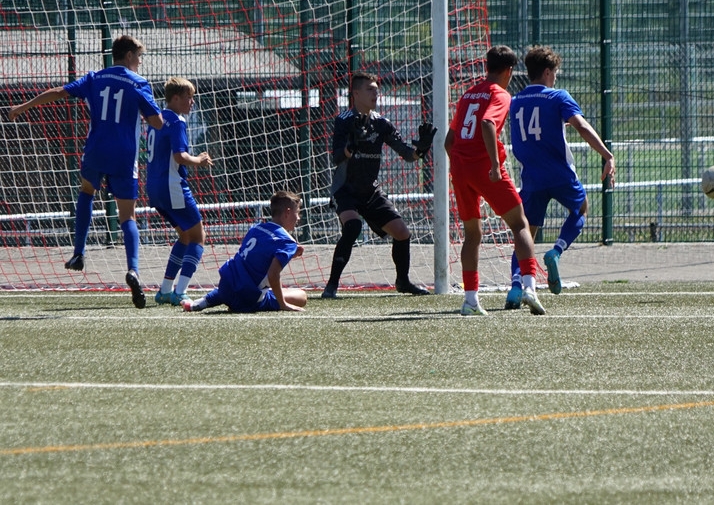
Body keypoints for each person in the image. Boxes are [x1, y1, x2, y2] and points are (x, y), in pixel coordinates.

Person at [8, 34, 163, 308]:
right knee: (127, 216)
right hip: (124, 154)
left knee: (87, 191)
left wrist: (22, 107)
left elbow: (59, 92)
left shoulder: (94, 78)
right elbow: (157, 122)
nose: (140, 62)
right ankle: (133, 270)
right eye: (139, 56)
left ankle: (79, 252)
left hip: (96, 149)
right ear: (129, 56)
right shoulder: (138, 83)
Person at [505, 46, 616, 308]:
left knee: (525, 234)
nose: (556, 77)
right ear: (547, 72)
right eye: (555, 72)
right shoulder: (558, 96)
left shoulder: (515, 101)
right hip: (559, 174)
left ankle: (515, 287)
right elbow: (581, 126)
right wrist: (607, 155)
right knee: (581, 209)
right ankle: (556, 251)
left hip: (531, 177)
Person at [444, 45, 544, 316]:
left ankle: (470, 300)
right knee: (520, 224)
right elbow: (488, 123)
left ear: (487, 66)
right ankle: (529, 287)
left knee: (472, 235)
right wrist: (495, 166)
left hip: (460, 168)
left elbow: (449, 142)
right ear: (509, 71)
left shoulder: (468, 94)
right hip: (485, 167)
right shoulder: (500, 94)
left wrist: (461, 168)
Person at [320, 72, 437, 299]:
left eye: (376, 89)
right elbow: (336, 157)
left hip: (370, 191)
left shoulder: (381, 123)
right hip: (345, 189)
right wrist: (350, 148)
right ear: (355, 93)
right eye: (370, 89)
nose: (375, 93)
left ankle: (403, 281)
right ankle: (331, 285)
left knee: (402, 233)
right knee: (353, 227)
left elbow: (407, 154)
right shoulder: (344, 120)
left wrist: (421, 150)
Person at [146, 77, 214, 307]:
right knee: (198, 236)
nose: (192, 102)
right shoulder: (177, 121)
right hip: (172, 186)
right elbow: (180, 156)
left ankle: (165, 290)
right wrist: (199, 160)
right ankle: (181, 291)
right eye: (188, 97)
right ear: (175, 98)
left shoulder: (156, 119)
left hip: (154, 187)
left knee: (185, 236)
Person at [183, 190, 307, 313]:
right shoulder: (287, 242)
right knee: (301, 296)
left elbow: (257, 257)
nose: (298, 218)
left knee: (239, 279)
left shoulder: (256, 228)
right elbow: (273, 275)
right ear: (287, 212)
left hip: (226, 285)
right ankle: (245, 303)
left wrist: (290, 254)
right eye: (297, 213)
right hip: (247, 299)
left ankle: (203, 301)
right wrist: (283, 304)